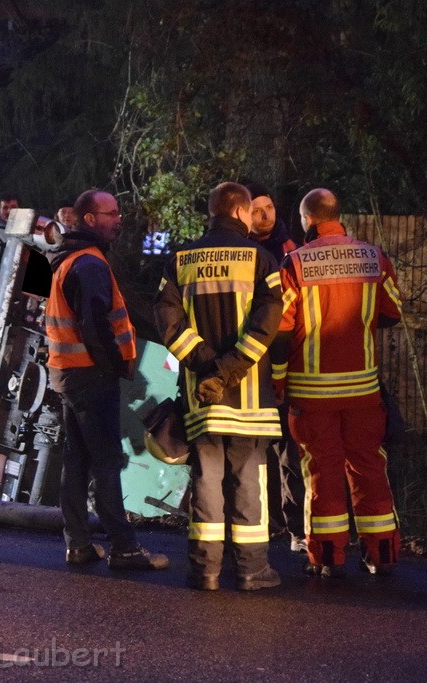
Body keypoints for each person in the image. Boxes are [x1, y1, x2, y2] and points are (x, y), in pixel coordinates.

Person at [154, 182, 284, 591]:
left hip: (201, 397)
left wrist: (206, 367)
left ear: (211, 212)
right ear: (243, 213)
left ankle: (205, 571)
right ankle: (251, 570)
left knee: (206, 482)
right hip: (249, 400)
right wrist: (228, 368)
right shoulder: (261, 260)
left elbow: (169, 324)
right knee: (248, 481)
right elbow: (267, 324)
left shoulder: (180, 261)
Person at [272, 188, 403, 578]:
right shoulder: (373, 257)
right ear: (336, 214)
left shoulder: (294, 263)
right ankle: (382, 554)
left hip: (312, 393)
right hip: (363, 390)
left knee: (322, 471)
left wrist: (279, 380)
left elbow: (281, 330)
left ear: (307, 220)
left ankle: (328, 558)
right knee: (369, 467)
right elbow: (392, 313)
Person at [45, 188, 169, 571]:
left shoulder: (73, 260)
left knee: (78, 460)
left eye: (118, 213)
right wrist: (115, 365)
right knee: (106, 461)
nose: (118, 219)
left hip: (70, 375)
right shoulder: (90, 265)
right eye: (110, 213)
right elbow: (96, 326)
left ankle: (78, 544)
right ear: (89, 219)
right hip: (90, 376)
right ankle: (124, 547)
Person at [244, 181, 306, 554]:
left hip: (283, 362)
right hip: (249, 360)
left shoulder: (291, 250)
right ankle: (259, 525)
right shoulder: (241, 253)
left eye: (268, 207)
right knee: (252, 450)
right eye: (256, 209)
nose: (265, 214)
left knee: (289, 451)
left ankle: (296, 528)